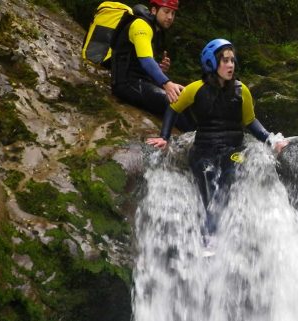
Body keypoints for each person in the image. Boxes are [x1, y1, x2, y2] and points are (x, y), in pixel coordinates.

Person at [146, 39, 287, 238]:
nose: (231, 65)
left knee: (230, 176)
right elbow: (173, 109)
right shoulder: (195, 89)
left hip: (233, 151)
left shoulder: (241, 90)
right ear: (212, 63)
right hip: (203, 150)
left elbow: (251, 121)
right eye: (225, 61)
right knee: (207, 179)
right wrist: (164, 137)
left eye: (232, 60)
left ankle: (216, 234)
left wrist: (271, 139)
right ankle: (210, 236)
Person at [111, 0, 196, 131]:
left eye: (173, 13)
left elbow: (140, 60)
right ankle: (195, 139)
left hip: (140, 80)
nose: (170, 17)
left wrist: (159, 68)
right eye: (166, 11)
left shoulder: (155, 29)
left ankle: (199, 134)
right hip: (126, 83)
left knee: (185, 97)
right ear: (154, 10)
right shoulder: (141, 25)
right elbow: (146, 60)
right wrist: (166, 83)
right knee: (173, 102)